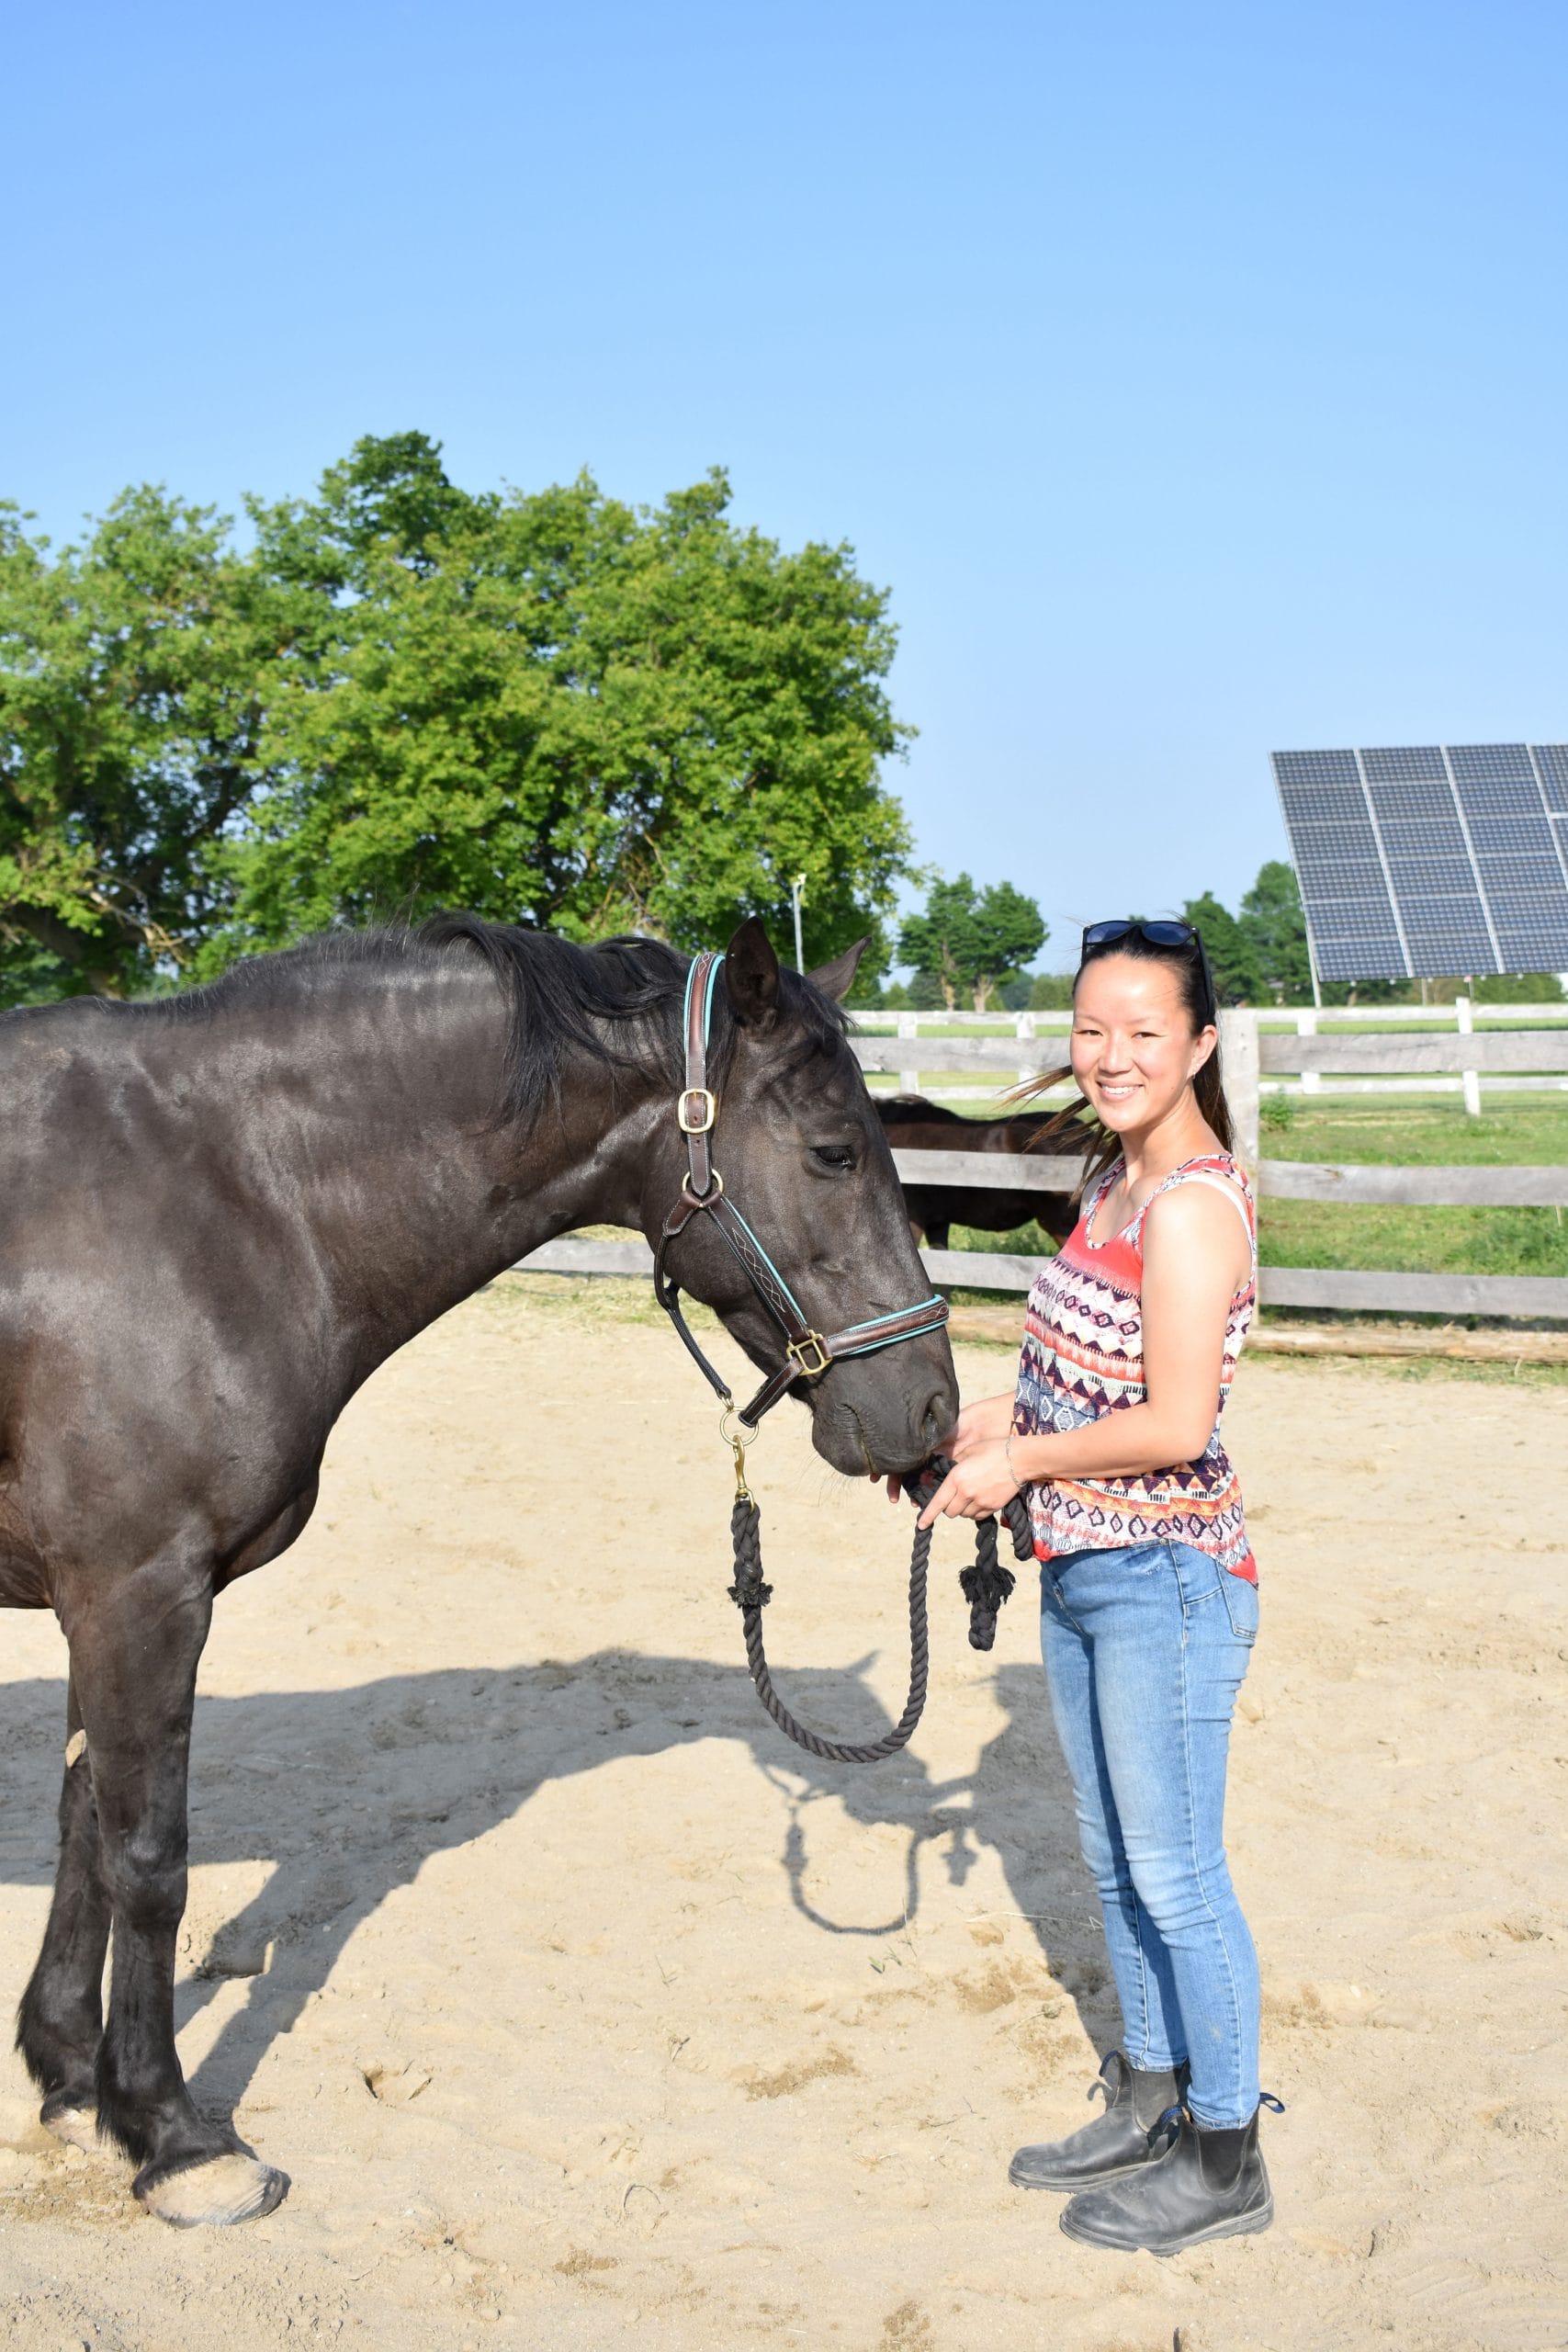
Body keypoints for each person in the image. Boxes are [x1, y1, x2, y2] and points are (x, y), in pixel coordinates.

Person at [893, 918, 1278, 2256]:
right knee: (1116, 1863)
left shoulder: (1188, 1208)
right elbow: (1080, 1369)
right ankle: (1153, 2095)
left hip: (1165, 1577)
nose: (1111, 1057)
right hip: (1089, 1565)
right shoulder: (1110, 1187)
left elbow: (1175, 1420)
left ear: (1199, 1047)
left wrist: (1024, 1464)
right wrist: (980, 1423)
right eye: (1091, 1031)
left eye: (1143, 1034)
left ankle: (1227, 2155)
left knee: (1177, 1874)